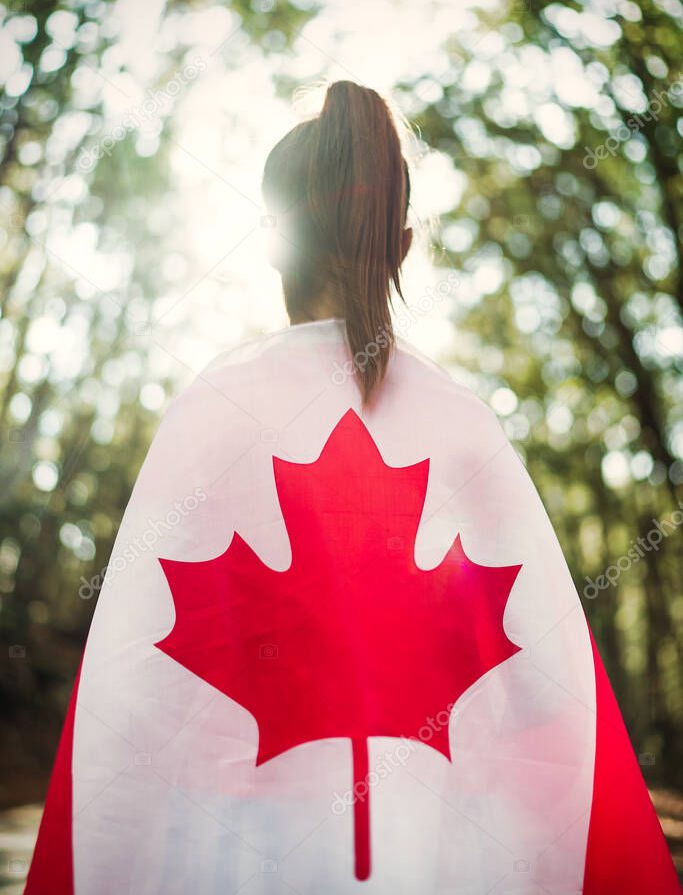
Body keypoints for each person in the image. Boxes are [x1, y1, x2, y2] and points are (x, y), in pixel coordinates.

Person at [26, 81, 679, 894]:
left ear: (273, 243)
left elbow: (135, 692)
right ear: (400, 244)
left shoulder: (213, 411)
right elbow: (545, 695)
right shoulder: (462, 426)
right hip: (434, 843)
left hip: (239, 846)